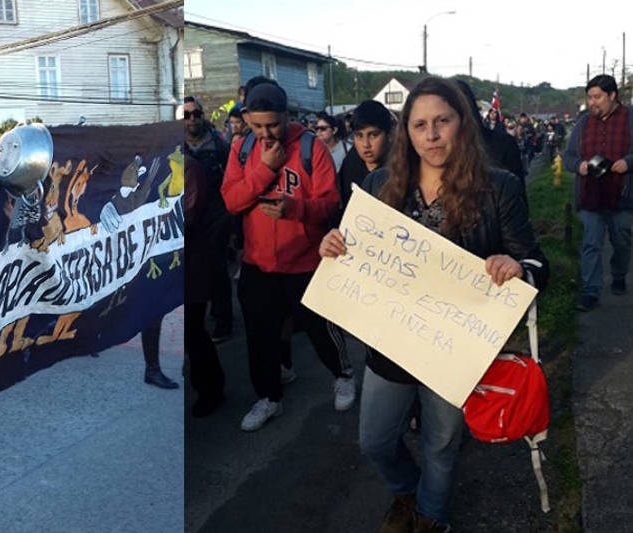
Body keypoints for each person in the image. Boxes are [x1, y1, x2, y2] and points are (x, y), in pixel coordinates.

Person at [319, 76, 548, 532]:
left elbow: (536, 262)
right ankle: (408, 491)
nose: (432, 134)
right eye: (420, 124)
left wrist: (517, 267)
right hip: (392, 342)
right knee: (375, 440)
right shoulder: (381, 182)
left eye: (442, 121)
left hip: (452, 348)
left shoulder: (497, 186)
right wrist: (335, 244)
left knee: (442, 444)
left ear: (461, 124)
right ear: (408, 131)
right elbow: (358, 248)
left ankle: (431, 514)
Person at [221, 78, 349, 432]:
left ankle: (342, 374)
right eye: (257, 125)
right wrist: (264, 169)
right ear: (247, 118)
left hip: (306, 261)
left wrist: (295, 209)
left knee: (321, 327)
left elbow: (330, 204)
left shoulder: (311, 147)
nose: (266, 133)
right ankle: (269, 398)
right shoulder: (242, 148)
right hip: (257, 263)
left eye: (273, 124)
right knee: (260, 337)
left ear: (287, 116)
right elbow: (231, 201)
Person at [563, 74, 633, 311]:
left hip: (621, 195)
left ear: (612, 95)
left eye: (597, 97)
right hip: (590, 196)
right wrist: (579, 166)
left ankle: (619, 274)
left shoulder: (630, 118)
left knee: (622, 241)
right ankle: (590, 291)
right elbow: (568, 158)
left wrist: (628, 162)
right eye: (590, 97)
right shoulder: (583, 123)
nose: (592, 102)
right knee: (591, 244)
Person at [184, 96, 233, 344]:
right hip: (189, 219)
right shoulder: (176, 148)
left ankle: (223, 322)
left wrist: (228, 217)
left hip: (215, 216)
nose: (192, 119)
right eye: (187, 115)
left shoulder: (218, 145)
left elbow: (232, 177)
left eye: (196, 114)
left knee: (217, 270)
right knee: (193, 275)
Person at [336, 99, 394, 220]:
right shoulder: (350, 163)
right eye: (359, 135)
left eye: (373, 135)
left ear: (389, 135)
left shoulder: (400, 167)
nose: (366, 144)